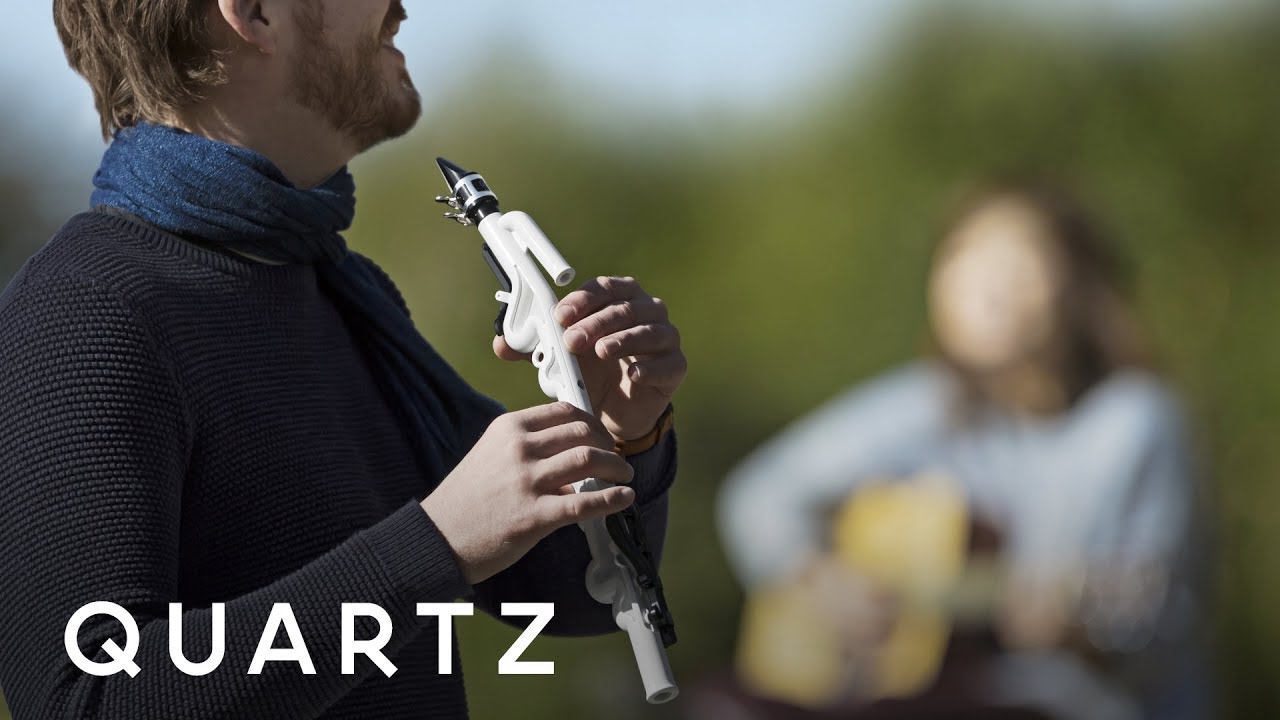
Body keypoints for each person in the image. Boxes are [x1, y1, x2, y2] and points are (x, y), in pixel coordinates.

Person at [0, 2, 686, 718]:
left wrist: (622, 431)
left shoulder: (345, 291)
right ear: (254, 14)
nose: (402, 7)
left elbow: (570, 590)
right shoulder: (84, 310)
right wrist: (435, 545)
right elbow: (85, 699)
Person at [716, 178, 1211, 720]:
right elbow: (758, 495)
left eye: (1019, 258)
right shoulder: (921, 406)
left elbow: (1161, 621)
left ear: (1080, 285)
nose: (988, 283)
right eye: (964, 256)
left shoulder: (1133, 422)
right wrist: (821, 580)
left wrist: (1079, 635)